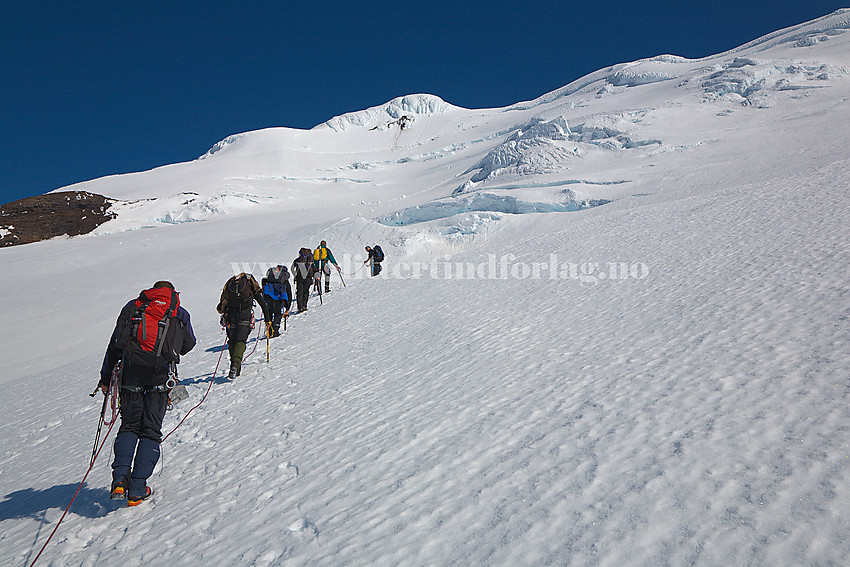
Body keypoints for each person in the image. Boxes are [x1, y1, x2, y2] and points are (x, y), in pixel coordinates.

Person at [98, 281, 196, 507]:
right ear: (173, 293)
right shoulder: (178, 312)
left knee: (130, 426)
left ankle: (120, 480)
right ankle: (137, 489)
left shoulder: (133, 307)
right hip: (160, 379)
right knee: (150, 431)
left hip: (130, 376)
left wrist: (105, 378)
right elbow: (188, 344)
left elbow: (114, 345)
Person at [217, 272, 270, 379]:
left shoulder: (229, 284)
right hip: (244, 315)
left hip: (230, 316)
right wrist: (267, 319)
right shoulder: (250, 284)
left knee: (232, 341)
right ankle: (235, 364)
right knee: (240, 340)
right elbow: (262, 302)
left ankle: (234, 365)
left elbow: (222, 304)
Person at [262, 264, 292, 337]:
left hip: (269, 296)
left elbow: (263, 281)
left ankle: (269, 328)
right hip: (279, 298)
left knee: (269, 312)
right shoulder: (284, 280)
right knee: (277, 313)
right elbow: (289, 293)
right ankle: (275, 330)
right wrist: (287, 307)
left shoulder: (269, 279)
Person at [291, 247, 316, 313]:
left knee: (299, 292)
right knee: (306, 291)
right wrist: (315, 276)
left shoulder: (297, 260)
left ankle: (300, 307)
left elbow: (292, 268)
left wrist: (295, 275)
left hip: (300, 277)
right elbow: (314, 268)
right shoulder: (310, 260)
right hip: (308, 277)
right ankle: (304, 306)